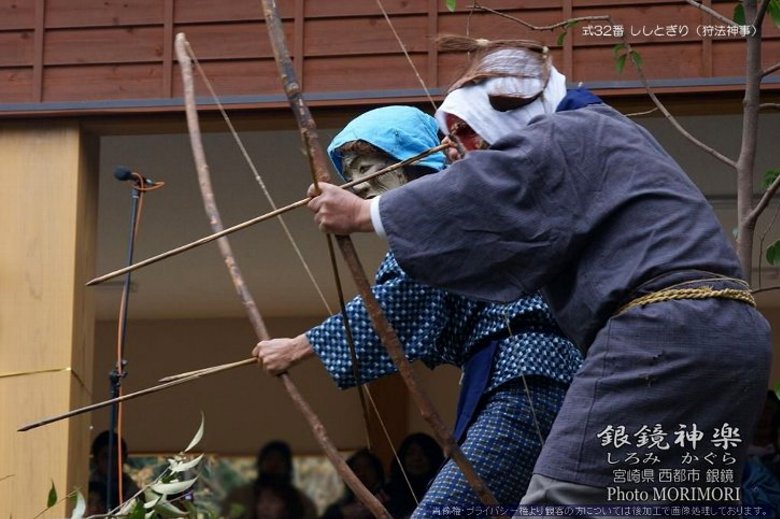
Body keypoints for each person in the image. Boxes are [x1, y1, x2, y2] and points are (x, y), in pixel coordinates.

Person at [306, 37, 771, 516]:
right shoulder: (605, 137)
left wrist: (366, 214)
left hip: (650, 338)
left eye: (468, 136)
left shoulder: (566, 134)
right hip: (731, 340)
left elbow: (480, 193)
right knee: (671, 500)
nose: (464, 154)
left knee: (560, 504)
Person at [253, 105, 582, 517]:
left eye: (368, 166)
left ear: (411, 159)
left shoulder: (444, 208)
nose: (360, 184)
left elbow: (393, 306)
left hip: (525, 377)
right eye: (351, 175)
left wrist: (297, 348)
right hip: (536, 376)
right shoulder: (451, 207)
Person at [221, 441, 317, 519]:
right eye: (269, 459)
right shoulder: (239, 496)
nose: (273, 465)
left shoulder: (303, 502)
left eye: (279, 461)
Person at [384, 433, 443, 519]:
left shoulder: (441, 490)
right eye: (410, 453)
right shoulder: (387, 494)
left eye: (424, 453)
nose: (417, 458)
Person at [321, 449, 387, 519]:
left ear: (377, 472)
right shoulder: (338, 509)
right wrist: (342, 513)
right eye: (357, 469)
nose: (362, 473)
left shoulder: (388, 502)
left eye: (368, 468)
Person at [89, 430, 141, 510]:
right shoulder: (86, 488)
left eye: (116, 455)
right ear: (96, 460)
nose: (111, 462)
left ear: (125, 458)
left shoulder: (133, 491)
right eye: (105, 457)